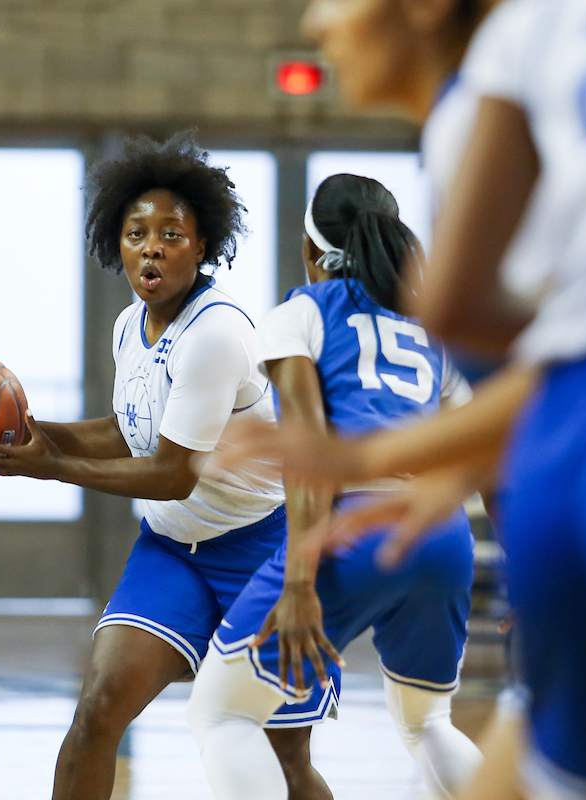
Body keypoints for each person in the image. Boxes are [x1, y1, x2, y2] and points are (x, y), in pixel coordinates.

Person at [239, 0, 586, 797]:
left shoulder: (498, 73)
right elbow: (570, 343)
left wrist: (379, 456)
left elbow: (473, 318)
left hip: (580, 454)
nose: (315, 22)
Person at [0, 132, 322, 799]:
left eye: (171, 233)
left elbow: (170, 471)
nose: (151, 246)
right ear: (116, 245)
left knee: (284, 762)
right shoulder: (130, 325)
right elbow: (129, 431)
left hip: (261, 555)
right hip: (172, 552)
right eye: (136, 234)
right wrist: (32, 433)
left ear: (205, 245)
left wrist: (51, 468)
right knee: (99, 708)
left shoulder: (217, 332)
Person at [186, 174, 481, 800]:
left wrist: (298, 585)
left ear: (311, 252)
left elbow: (308, 457)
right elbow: (488, 459)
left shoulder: (300, 315)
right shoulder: (429, 330)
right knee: (428, 724)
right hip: (443, 535)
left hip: (358, 529)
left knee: (222, 714)